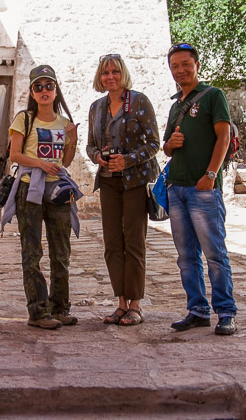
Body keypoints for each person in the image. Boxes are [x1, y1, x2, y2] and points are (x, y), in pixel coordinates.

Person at [162, 43, 238, 335]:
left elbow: (224, 137)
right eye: (175, 66)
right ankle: (197, 310)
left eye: (185, 64)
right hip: (177, 188)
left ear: (197, 65)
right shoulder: (175, 105)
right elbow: (167, 147)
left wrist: (211, 174)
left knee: (214, 253)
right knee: (186, 257)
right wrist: (171, 144)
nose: (180, 70)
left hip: (203, 188)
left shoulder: (213, 96)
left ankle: (226, 312)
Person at [3, 64, 80, 330]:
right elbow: (14, 155)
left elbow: (65, 161)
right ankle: (37, 312)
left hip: (58, 191)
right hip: (30, 189)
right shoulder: (24, 119)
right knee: (32, 251)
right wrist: (40, 164)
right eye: (39, 87)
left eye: (49, 86)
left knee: (61, 252)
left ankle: (60, 308)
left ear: (56, 90)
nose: (44, 90)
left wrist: (72, 139)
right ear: (32, 92)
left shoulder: (65, 123)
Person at [86, 54, 161, 326]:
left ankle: (136, 305)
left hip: (135, 181)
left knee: (134, 242)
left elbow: (154, 143)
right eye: (105, 73)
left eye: (115, 71)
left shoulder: (139, 102)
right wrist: (98, 157)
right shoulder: (97, 108)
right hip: (108, 181)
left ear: (123, 74)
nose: (110, 77)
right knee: (112, 243)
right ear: (100, 77)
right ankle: (120, 302)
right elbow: (90, 146)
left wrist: (127, 160)